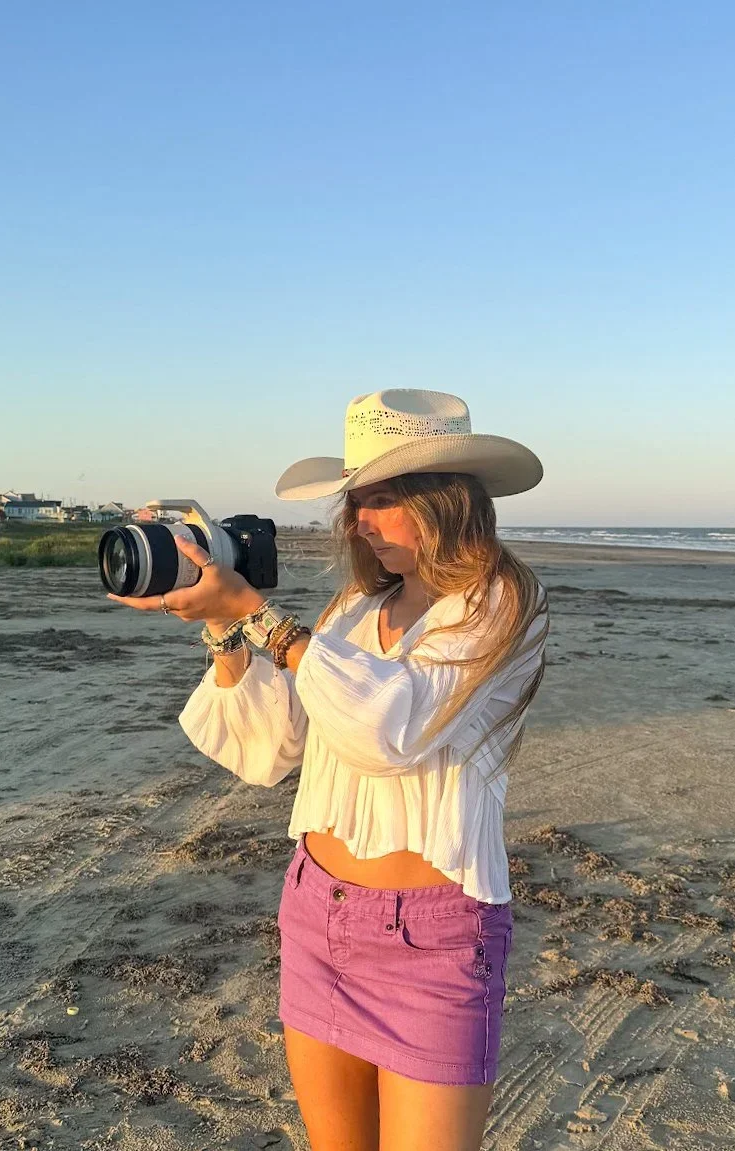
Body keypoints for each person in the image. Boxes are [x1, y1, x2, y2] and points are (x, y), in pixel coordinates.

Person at [108, 389, 549, 1151]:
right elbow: (271, 748)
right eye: (356, 501)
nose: (358, 520)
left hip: (435, 940)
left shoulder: (501, 605)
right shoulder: (353, 608)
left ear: (443, 500)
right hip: (318, 915)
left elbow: (391, 727)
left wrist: (260, 613)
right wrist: (223, 621)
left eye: (381, 499)